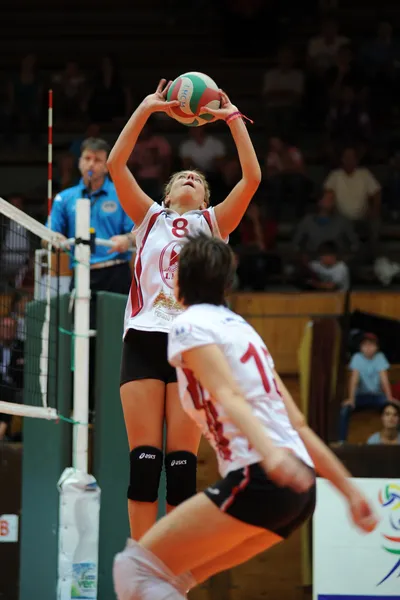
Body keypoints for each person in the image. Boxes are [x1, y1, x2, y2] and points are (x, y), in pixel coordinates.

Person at [113, 233, 378, 600]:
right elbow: (297, 425)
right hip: (298, 495)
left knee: (132, 566)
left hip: (261, 476)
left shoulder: (189, 325)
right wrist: (348, 489)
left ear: (176, 280)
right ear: (226, 283)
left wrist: (270, 457)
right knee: (176, 579)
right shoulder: (244, 331)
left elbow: (227, 394)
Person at [106, 79, 261, 540]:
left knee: (180, 467)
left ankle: (171, 569)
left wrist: (233, 118)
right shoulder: (149, 216)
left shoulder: (215, 222)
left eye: (199, 178)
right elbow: (117, 165)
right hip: (144, 339)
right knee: (144, 463)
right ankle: (140, 558)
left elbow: (252, 178)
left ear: (206, 199)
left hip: (192, 343)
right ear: (169, 194)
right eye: (182, 178)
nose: (191, 177)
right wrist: (147, 106)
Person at [46, 136, 135, 413]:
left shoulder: (120, 194)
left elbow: (137, 232)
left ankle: (116, 404)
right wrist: (54, 238)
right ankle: (83, 407)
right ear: (79, 163)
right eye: (87, 159)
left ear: (107, 166)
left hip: (115, 274)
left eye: (98, 159)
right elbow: (48, 234)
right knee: (81, 341)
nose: (91, 164)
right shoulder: (66, 198)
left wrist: (127, 239)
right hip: (82, 276)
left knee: (117, 341)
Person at [339, 333, 399, 442]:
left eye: (371, 345)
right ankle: (341, 441)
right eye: (365, 345)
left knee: (395, 408)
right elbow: (354, 380)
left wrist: (389, 398)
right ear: (360, 347)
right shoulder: (357, 357)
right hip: (361, 396)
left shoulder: (380, 357)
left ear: (376, 347)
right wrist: (351, 399)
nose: (368, 348)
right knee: (344, 410)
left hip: (377, 396)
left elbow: (384, 379)